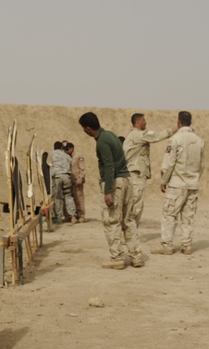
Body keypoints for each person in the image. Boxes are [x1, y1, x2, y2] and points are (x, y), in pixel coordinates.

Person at [78, 111, 144, 269]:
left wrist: (108, 191)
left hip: (116, 183)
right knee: (128, 221)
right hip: (127, 180)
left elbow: (109, 166)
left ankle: (117, 259)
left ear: (87, 128)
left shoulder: (102, 141)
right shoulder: (110, 135)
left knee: (111, 220)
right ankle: (136, 257)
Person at [153, 111, 204, 256]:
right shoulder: (199, 140)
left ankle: (167, 245)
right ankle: (186, 245)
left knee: (169, 215)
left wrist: (164, 180)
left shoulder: (175, 139)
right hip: (192, 184)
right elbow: (202, 164)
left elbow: (169, 163)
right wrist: (194, 178)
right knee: (188, 216)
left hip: (177, 184)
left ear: (178, 122)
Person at [122, 113, 173, 227]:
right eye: (144, 120)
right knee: (136, 205)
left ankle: (129, 232)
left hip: (134, 175)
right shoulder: (138, 135)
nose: (146, 123)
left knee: (133, 204)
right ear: (138, 122)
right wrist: (173, 130)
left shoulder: (134, 135)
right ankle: (130, 233)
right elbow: (156, 136)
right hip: (136, 175)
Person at [49, 141, 75, 224]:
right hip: (67, 176)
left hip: (57, 177)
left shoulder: (51, 154)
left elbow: (47, 164)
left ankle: (58, 217)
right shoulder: (67, 155)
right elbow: (71, 164)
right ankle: (73, 216)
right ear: (61, 148)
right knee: (68, 196)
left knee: (57, 197)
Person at [64, 141, 87, 223]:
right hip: (70, 181)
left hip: (77, 181)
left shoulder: (78, 157)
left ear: (72, 148)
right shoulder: (68, 157)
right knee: (72, 199)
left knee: (79, 198)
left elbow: (83, 168)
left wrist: (80, 178)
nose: (66, 151)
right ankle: (73, 215)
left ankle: (81, 215)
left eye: (68, 149)